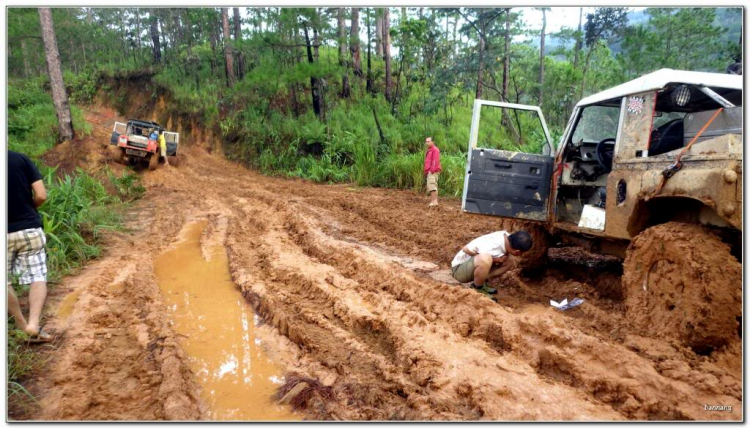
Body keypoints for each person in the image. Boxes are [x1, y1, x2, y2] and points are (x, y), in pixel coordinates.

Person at [8, 150, 52, 342]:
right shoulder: (20, 159)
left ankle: (20, 325)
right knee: (38, 276)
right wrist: (29, 207)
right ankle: (33, 325)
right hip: (29, 228)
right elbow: (41, 195)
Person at [450, 230, 533, 296]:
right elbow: (465, 249)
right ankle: (477, 288)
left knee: (509, 262)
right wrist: (494, 260)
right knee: (486, 259)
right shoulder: (494, 244)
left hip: (472, 267)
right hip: (459, 270)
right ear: (517, 252)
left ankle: (482, 281)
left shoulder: (506, 237)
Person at [424, 137, 442, 207]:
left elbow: (435, 160)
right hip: (430, 170)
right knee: (433, 185)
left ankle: (434, 201)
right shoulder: (430, 149)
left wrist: (432, 170)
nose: (427, 143)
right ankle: (434, 201)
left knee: (432, 185)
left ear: (432, 142)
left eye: (428, 141)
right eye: (426, 141)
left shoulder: (435, 149)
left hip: (433, 171)